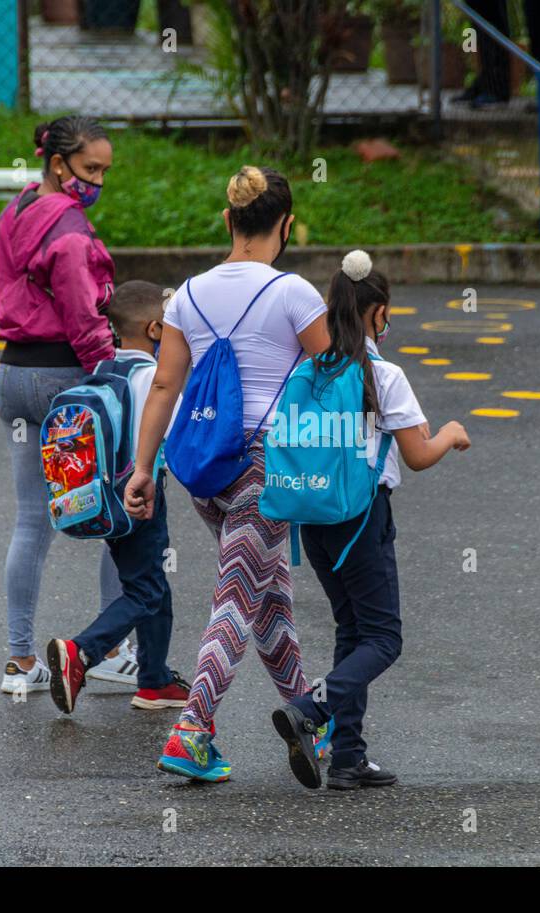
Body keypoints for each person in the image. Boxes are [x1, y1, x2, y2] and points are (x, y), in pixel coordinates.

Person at [124, 166, 332, 783]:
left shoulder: (187, 294)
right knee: (239, 597)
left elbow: (164, 384)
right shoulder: (295, 295)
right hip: (269, 469)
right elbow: (333, 381)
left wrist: (142, 469)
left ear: (228, 221)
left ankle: (312, 721)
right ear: (286, 225)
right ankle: (192, 728)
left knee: (265, 597)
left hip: (206, 470)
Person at [271, 251, 471, 790]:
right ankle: (310, 710)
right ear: (376, 312)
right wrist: (450, 433)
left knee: (352, 630)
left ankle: (348, 756)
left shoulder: (308, 369)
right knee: (384, 639)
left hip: (312, 517)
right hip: (362, 517)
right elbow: (418, 454)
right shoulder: (382, 374)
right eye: (388, 313)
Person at [0, 114, 128, 696]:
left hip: (13, 375)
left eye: (104, 170)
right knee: (123, 514)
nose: (98, 180)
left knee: (30, 521)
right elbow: (84, 319)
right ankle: (111, 652)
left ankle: (20, 663)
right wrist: (117, 376)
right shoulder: (71, 231)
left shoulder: (17, 208)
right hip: (66, 379)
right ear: (58, 163)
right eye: (91, 168)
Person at [45, 280, 191, 714]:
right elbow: (179, 433)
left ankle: (155, 680)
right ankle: (82, 652)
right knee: (145, 591)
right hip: (142, 495)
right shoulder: (154, 378)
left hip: (104, 499)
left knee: (151, 584)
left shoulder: (105, 370)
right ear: (154, 329)